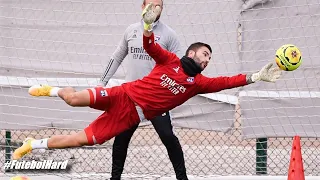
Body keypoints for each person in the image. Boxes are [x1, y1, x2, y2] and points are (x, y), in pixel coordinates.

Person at [13, 4, 282, 177]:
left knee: (82, 140)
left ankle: (31, 144)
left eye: (210, 58)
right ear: (191, 52)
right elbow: (151, 46)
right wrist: (146, 26)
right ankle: (52, 90)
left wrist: (256, 76)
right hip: (122, 94)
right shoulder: (170, 60)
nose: (207, 59)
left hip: (131, 115)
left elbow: (228, 81)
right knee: (73, 99)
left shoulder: (198, 83)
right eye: (205, 54)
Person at [99, 0, 187, 179]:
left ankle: (182, 178)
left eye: (158, 6)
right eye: (150, 5)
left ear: (162, 9)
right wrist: (102, 82)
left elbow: (179, 66)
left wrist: (172, 90)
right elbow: (117, 56)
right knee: (121, 139)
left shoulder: (169, 35)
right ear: (142, 7)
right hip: (130, 96)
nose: (154, 9)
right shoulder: (130, 30)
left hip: (156, 98)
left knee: (168, 137)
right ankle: (114, 178)